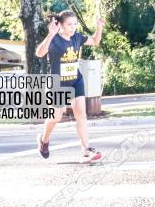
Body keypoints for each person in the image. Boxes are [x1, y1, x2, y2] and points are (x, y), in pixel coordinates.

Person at [34, 10, 104, 163]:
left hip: (75, 81)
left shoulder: (77, 38)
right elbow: (39, 53)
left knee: (81, 115)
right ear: (61, 25)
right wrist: (50, 34)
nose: (73, 27)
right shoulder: (54, 39)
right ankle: (44, 140)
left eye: (75, 24)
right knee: (56, 117)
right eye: (69, 24)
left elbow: (95, 41)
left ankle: (86, 150)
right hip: (57, 84)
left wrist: (99, 27)